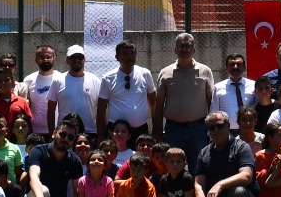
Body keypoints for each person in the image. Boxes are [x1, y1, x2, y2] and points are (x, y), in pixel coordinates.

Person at [190, 111, 259, 197]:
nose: (216, 130)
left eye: (220, 126)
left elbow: (246, 176)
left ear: (228, 126)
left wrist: (219, 185)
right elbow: (198, 184)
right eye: (211, 128)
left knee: (237, 191)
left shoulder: (241, 147)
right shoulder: (204, 152)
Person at [154, 32, 215, 163]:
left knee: (199, 166)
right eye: (181, 46)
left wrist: (212, 129)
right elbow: (158, 105)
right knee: (173, 167)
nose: (184, 49)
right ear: (175, 49)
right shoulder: (165, 73)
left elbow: (211, 102)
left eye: (188, 46)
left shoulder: (205, 71)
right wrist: (158, 132)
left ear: (193, 49)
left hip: (199, 130)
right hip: (173, 130)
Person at [97, 41, 157, 137]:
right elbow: (101, 109)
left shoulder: (145, 74)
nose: (130, 57)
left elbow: (153, 102)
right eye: (125, 54)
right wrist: (101, 137)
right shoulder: (108, 78)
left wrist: (156, 129)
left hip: (140, 131)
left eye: (132, 53)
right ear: (117, 57)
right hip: (116, 133)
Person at [58, 44, 102, 136]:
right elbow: (50, 110)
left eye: (80, 57)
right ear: (67, 60)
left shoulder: (95, 80)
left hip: (90, 132)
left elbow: (102, 109)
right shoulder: (58, 80)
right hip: (65, 133)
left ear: (84, 60)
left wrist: (101, 135)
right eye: (73, 57)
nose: (77, 60)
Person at [21, 44, 65, 132]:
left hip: (57, 131)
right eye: (41, 57)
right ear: (36, 60)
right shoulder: (28, 80)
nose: (45, 60)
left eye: (48, 57)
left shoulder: (62, 78)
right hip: (35, 131)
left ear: (54, 58)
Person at [213, 52, 255, 130]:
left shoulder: (253, 86)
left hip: (249, 131)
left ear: (244, 68)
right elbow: (214, 112)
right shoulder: (217, 88)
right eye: (232, 64)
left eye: (239, 64)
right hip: (227, 132)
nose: (235, 67)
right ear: (226, 68)